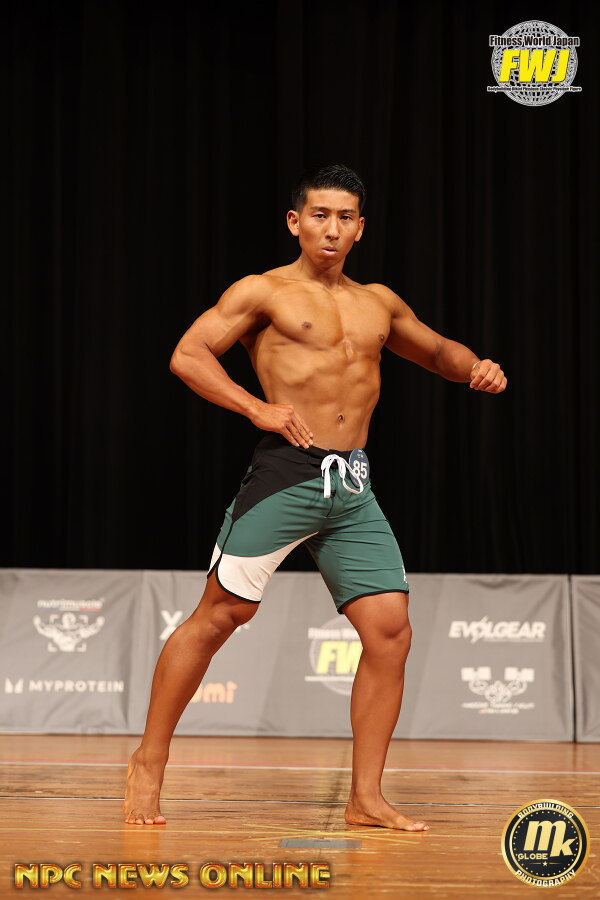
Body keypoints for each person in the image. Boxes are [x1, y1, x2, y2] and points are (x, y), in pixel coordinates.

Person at [123, 163, 507, 831]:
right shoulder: (264, 291)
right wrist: (256, 408)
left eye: (345, 217)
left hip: (352, 485)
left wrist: (476, 366)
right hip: (286, 474)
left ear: (361, 228)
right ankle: (148, 762)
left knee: (389, 631)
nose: (332, 228)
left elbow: (437, 350)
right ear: (295, 222)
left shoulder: (378, 302)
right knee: (220, 616)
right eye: (320, 215)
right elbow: (189, 354)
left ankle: (365, 797)